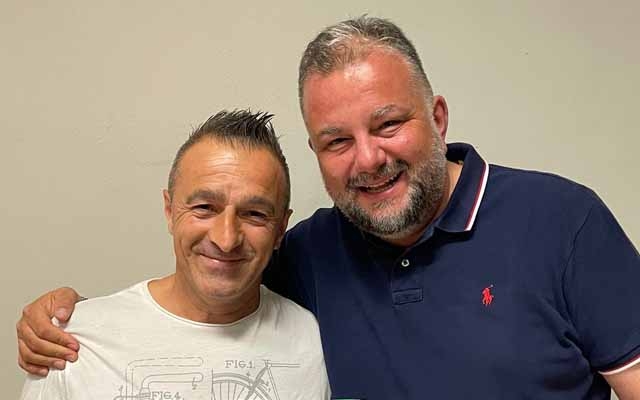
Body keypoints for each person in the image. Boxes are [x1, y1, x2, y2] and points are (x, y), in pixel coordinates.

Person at [17, 16, 640, 399]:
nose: (368, 159)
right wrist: (71, 316)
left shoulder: (563, 221)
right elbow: (210, 283)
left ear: (438, 117)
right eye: (337, 141)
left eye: (388, 124)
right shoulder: (309, 253)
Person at [19, 110, 331, 400]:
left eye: (254, 214)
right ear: (170, 211)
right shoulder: (70, 343)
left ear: (280, 229)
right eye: (204, 207)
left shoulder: (316, 342)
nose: (226, 240)